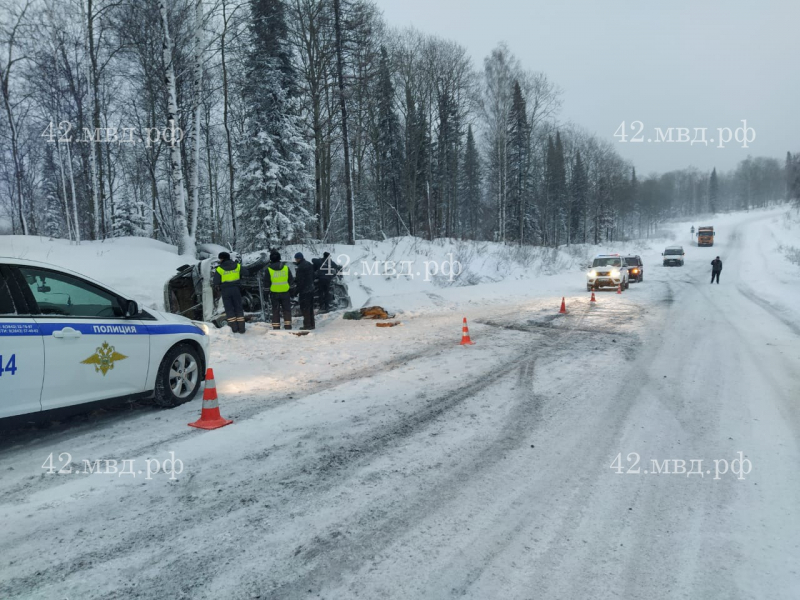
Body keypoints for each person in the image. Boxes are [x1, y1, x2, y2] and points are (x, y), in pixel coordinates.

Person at [212, 252, 249, 333]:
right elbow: (246, 272)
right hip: (236, 289)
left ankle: (234, 329)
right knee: (238, 308)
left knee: (229, 309)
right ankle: (242, 329)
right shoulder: (237, 265)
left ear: (222, 259)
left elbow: (215, 282)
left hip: (226, 291)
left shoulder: (219, 269)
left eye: (220, 258)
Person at [266, 251, 294, 330]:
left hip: (274, 294)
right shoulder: (286, 268)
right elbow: (291, 281)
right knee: (287, 310)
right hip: (285, 293)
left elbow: (266, 284)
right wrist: (292, 292)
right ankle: (288, 326)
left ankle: (276, 327)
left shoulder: (268, 270)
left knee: (275, 311)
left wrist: (266, 295)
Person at [294, 252, 315, 330]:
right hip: (311, 288)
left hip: (304, 291)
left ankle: (307, 325)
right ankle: (312, 324)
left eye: (296, 259)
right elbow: (313, 276)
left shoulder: (300, 267)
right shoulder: (309, 264)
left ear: (298, 258)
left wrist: (296, 291)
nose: (295, 260)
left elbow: (300, 281)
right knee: (310, 308)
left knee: (304, 308)